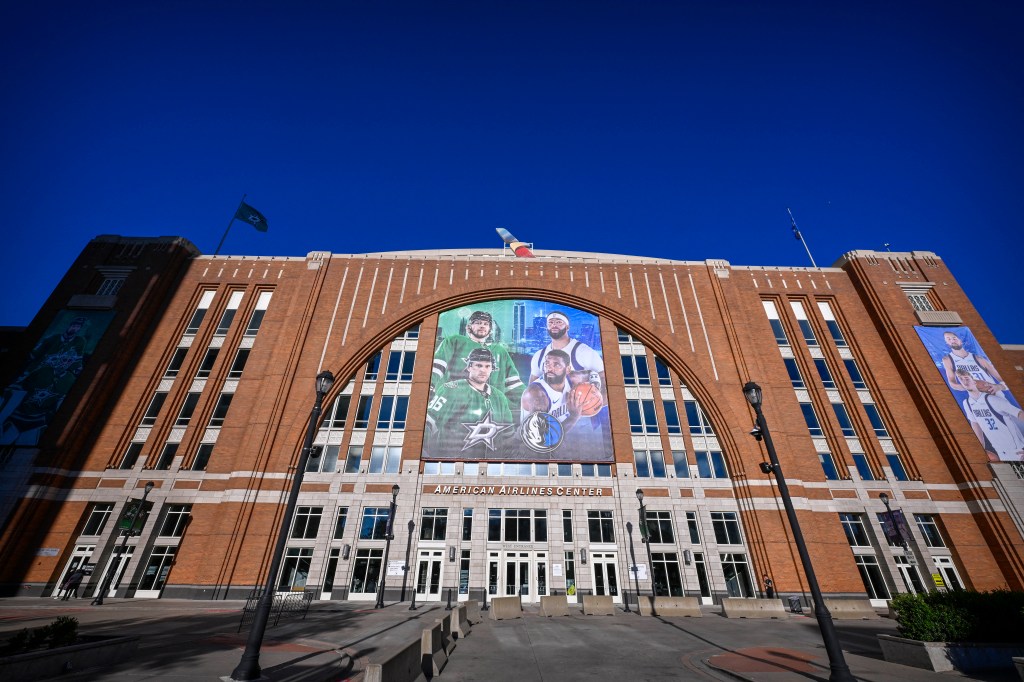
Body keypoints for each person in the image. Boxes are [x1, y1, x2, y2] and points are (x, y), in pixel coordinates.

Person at [1, 316, 89, 445]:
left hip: (38, 422)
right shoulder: (42, 369)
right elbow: (32, 357)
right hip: (17, 417)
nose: (65, 362)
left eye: (78, 327)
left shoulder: (68, 379)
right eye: (74, 325)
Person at [425, 347, 515, 458]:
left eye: (487, 366)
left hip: (490, 467)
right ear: (469, 367)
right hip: (453, 464)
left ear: (492, 369)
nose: (483, 370)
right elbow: (428, 422)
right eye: (478, 365)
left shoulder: (499, 397)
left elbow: (508, 435)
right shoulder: (451, 389)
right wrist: (427, 455)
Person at [431, 310, 524, 412]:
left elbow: (513, 383)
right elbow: (438, 365)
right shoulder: (455, 341)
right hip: (457, 405)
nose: (482, 326)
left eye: (486, 324)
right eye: (478, 323)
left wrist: (529, 398)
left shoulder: (500, 351)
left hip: (492, 409)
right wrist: (430, 386)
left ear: (490, 329)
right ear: (469, 327)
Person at [957, 369, 1024, 461]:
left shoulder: (992, 400)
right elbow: (975, 424)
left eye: (967, 378)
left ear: (974, 381)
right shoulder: (967, 403)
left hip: (1018, 450)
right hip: (1000, 452)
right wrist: (981, 448)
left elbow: (1020, 413)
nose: (965, 382)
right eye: (961, 379)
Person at [529, 311, 605, 391]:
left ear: (567, 327)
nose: (554, 325)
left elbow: (604, 380)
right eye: (550, 323)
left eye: (559, 322)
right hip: (551, 402)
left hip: (579, 400)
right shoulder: (539, 355)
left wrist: (594, 400)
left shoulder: (584, 352)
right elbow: (532, 388)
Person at [941, 331, 1008, 396]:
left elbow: (1004, 380)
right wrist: (971, 387)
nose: (952, 341)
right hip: (976, 400)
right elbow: (953, 384)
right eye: (949, 339)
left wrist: (999, 387)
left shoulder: (979, 358)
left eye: (954, 338)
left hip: (996, 396)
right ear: (947, 343)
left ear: (960, 340)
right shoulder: (948, 360)